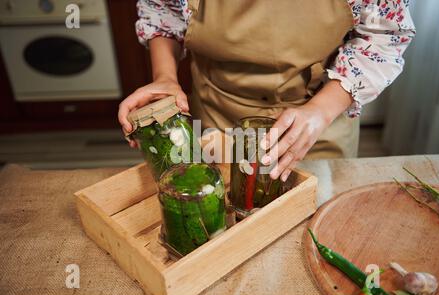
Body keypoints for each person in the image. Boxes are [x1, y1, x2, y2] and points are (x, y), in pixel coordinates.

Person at [118, 0, 415, 181]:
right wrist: (165, 77)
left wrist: (321, 110)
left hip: (317, 117)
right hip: (218, 113)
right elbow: (164, 11)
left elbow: (382, 37)